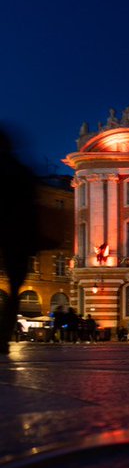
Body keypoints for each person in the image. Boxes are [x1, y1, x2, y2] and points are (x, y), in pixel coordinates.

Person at [0, 128, 42, 356]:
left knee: (13, 290)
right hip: (18, 237)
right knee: (15, 290)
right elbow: (33, 208)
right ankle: (3, 338)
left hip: (14, 235)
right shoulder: (20, 170)